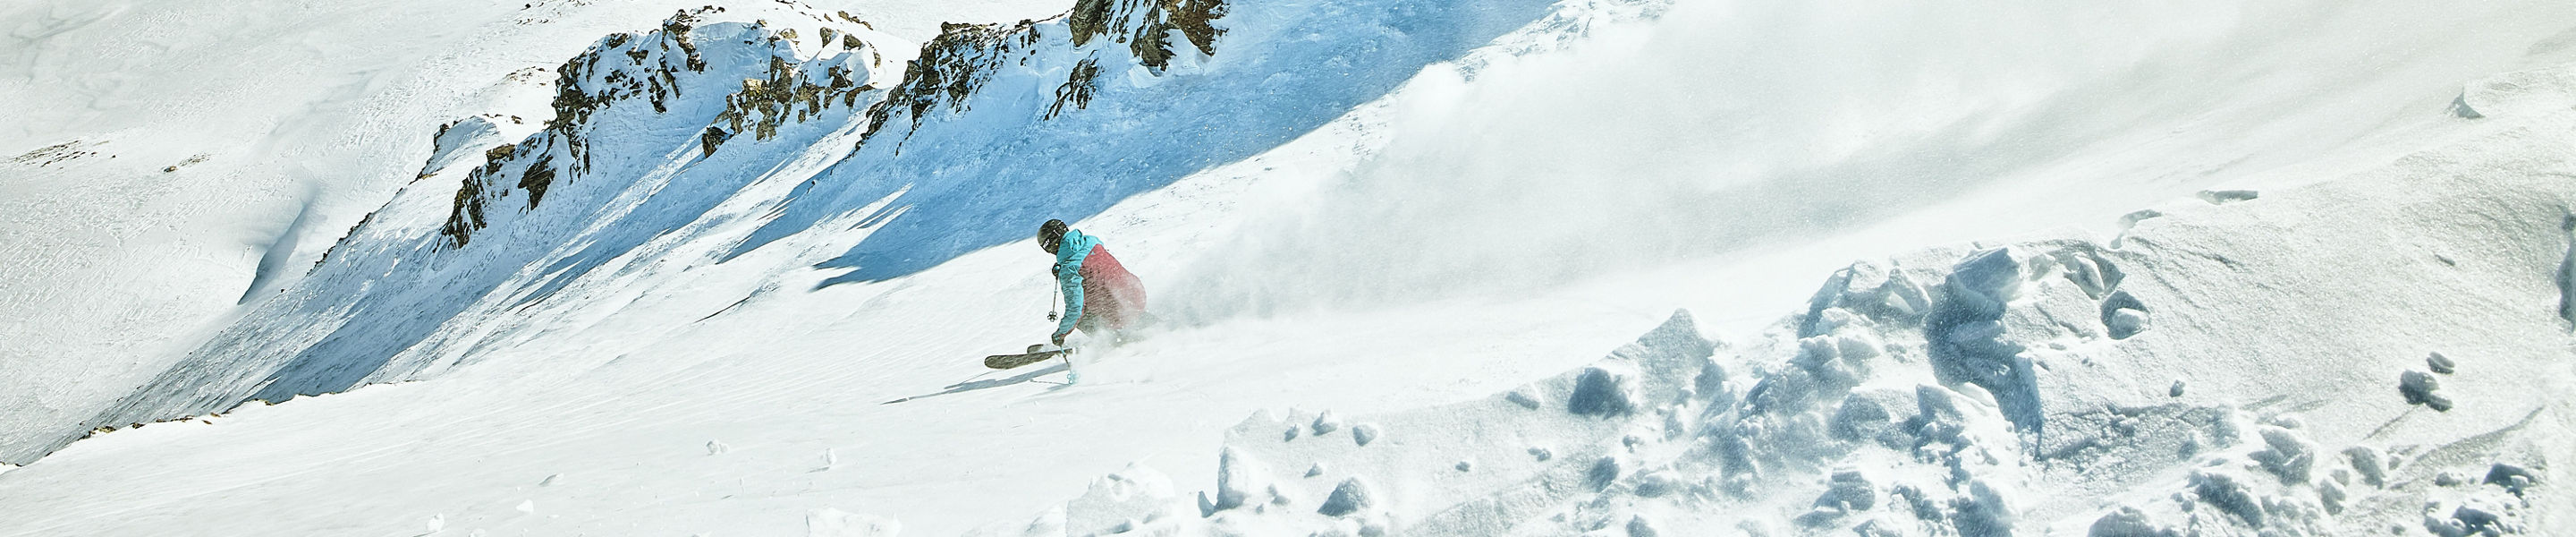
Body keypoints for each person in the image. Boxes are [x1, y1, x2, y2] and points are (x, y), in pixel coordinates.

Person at [1039, 219, 1148, 345]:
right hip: (1136, 293)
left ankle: (1113, 342)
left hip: (1118, 309)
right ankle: (1142, 322)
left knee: (1082, 317)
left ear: (1051, 245)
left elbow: (1075, 310)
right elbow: (1091, 264)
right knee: (1107, 293)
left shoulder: (1070, 269)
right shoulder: (1092, 241)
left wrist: (1060, 334)